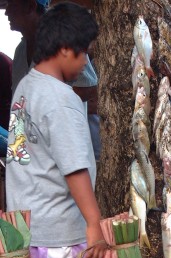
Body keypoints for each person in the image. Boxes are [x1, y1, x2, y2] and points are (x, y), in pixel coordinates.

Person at [5, 2, 107, 258]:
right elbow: (74, 166)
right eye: (83, 55)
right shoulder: (61, 99)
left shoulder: (25, 90)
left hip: (28, 234)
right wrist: (93, 223)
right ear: (65, 49)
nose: (84, 64)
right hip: (60, 241)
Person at [5, 0, 102, 162]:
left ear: (30, 6)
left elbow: (89, 88)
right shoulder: (20, 50)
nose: (7, 12)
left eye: (12, 5)